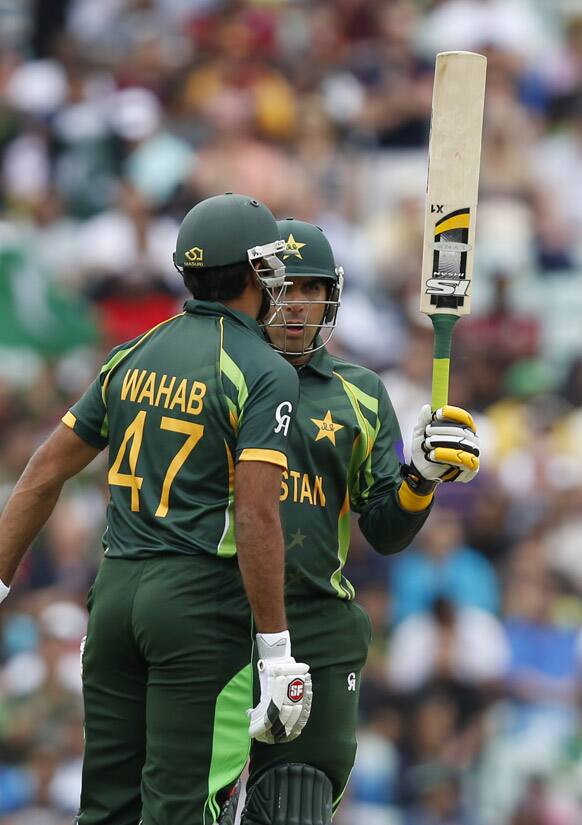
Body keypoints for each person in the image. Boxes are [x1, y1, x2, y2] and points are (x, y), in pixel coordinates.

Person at [0, 194, 313, 825]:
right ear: (255, 273)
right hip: (197, 605)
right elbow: (255, 516)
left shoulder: (132, 353)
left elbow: (44, 472)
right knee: (183, 807)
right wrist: (276, 651)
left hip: (113, 595)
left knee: (106, 808)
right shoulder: (265, 370)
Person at [234, 218, 480, 825]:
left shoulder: (361, 392)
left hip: (317, 622)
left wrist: (420, 477)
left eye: (311, 290)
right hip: (217, 611)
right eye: (282, 288)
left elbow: (386, 532)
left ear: (331, 297)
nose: (295, 305)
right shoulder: (221, 375)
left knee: (296, 798)